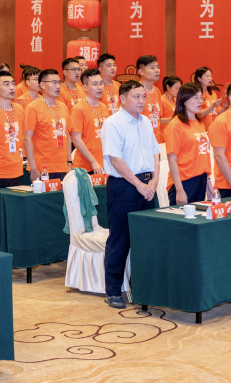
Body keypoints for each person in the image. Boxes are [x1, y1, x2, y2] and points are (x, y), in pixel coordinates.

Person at [100, 80, 160, 309]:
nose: (141, 101)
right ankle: (113, 291)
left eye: (143, 97)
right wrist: (138, 185)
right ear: (122, 99)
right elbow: (115, 159)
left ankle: (142, 288)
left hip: (148, 185)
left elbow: (155, 153)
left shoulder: (146, 122)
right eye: (136, 97)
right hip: (124, 186)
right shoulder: (113, 123)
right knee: (120, 239)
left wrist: (153, 181)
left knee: (147, 239)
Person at [164, 83, 213, 205]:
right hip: (184, 182)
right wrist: (179, 190)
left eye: (201, 97)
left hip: (201, 179)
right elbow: (172, 160)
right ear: (184, 100)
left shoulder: (199, 123)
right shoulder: (175, 125)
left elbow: (203, 155)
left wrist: (208, 181)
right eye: (195, 98)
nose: (200, 101)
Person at [24, 68, 70, 180]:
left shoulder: (63, 107)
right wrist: (33, 168)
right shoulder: (33, 108)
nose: (58, 86)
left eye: (59, 82)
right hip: (42, 168)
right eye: (54, 83)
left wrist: (69, 163)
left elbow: (67, 136)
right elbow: (27, 139)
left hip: (63, 167)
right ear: (42, 85)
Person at [70, 68, 111, 175]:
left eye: (101, 83)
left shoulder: (103, 107)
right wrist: (93, 161)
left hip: (104, 164)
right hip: (85, 167)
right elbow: (76, 139)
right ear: (85, 87)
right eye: (95, 84)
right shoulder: (78, 109)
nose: (99, 87)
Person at [136, 55, 164, 144]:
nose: (157, 70)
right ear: (141, 71)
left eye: (157, 67)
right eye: (152, 68)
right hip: (140, 142)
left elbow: (159, 118)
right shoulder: (135, 91)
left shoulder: (157, 91)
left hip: (156, 141)